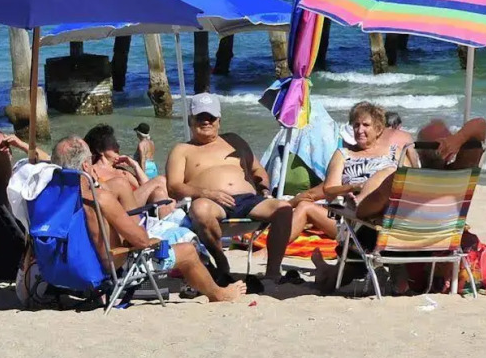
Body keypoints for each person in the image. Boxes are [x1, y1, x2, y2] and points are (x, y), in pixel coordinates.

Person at [52, 136, 246, 303]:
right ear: (86, 166)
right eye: (90, 162)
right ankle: (219, 294)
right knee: (187, 251)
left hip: (68, 265)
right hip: (114, 267)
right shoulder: (100, 198)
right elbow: (141, 240)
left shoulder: (54, 199)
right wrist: (150, 240)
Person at [275, 102, 418, 270]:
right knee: (305, 207)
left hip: (384, 215)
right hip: (349, 218)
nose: (359, 130)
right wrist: (353, 187)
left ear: (379, 129)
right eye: (356, 125)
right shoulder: (344, 153)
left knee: (390, 172)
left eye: (366, 125)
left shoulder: (394, 153)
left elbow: (410, 182)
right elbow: (329, 189)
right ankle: (271, 253)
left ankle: (325, 268)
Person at [165, 93, 290, 282]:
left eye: (211, 117)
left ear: (219, 120)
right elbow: (173, 187)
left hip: (249, 200)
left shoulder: (234, 140)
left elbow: (258, 169)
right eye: (200, 117)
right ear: (191, 120)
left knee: (284, 209)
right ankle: (221, 261)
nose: (206, 121)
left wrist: (264, 188)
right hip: (211, 203)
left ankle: (273, 270)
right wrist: (207, 194)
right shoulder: (182, 149)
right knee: (200, 210)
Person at [85, 124, 171, 207]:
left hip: (136, 207)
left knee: (159, 193)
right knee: (160, 180)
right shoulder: (92, 171)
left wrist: (135, 165)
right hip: (120, 208)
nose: (118, 146)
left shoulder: (121, 170)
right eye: (113, 144)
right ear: (100, 149)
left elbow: (146, 185)